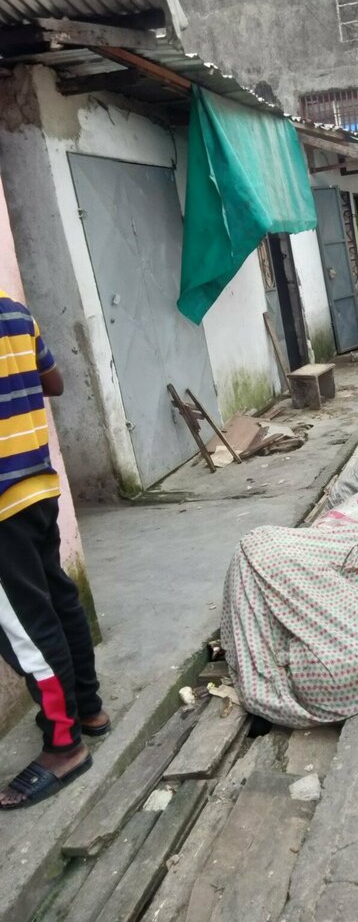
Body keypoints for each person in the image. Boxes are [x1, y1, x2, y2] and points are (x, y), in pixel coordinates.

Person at [0, 288, 109, 809]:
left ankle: (64, 746)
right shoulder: (13, 309)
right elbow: (55, 381)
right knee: (59, 601)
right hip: (38, 486)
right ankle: (89, 708)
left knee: (26, 630)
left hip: (1, 501)